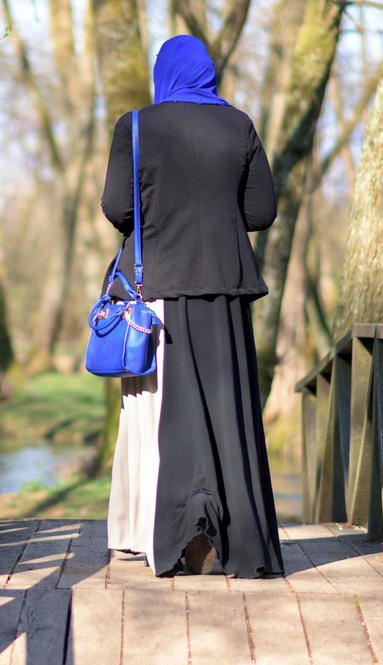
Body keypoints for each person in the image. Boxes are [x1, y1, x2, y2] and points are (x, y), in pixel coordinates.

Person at [100, 34, 284, 579]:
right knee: (229, 417)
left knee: (157, 415)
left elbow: (116, 206)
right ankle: (237, 539)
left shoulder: (137, 126)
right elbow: (262, 211)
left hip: (156, 290)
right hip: (224, 292)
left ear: (165, 75)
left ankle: (156, 534)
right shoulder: (239, 125)